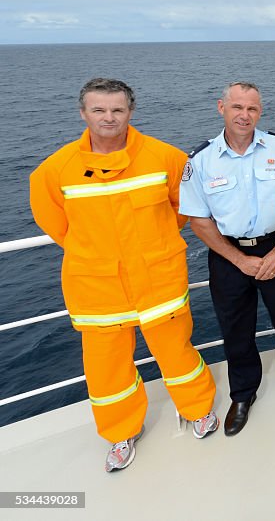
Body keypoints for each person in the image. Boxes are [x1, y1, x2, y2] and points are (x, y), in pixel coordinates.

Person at [29, 78, 218, 473]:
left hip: (158, 280)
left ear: (131, 112)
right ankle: (120, 432)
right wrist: (97, 254)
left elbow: (185, 208)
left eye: (117, 109)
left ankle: (197, 409)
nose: (109, 117)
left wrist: (155, 244)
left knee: (177, 352)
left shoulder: (165, 158)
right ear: (83, 113)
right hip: (97, 288)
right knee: (106, 368)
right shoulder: (55, 171)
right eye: (99, 110)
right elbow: (55, 224)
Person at [179, 82, 275, 437]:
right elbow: (198, 220)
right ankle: (242, 394)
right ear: (221, 108)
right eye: (237, 107)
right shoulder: (200, 161)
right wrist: (240, 260)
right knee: (236, 329)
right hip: (228, 255)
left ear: (261, 111)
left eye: (252, 109)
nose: (245, 115)